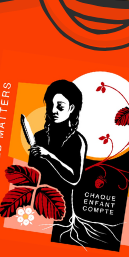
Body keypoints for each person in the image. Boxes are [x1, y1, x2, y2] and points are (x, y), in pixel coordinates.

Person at [27, 80, 89, 241]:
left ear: (71, 108)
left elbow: (75, 179)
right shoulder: (39, 137)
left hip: (63, 215)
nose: (53, 110)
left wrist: (49, 156)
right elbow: (31, 174)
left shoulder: (77, 141)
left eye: (60, 106)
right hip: (35, 209)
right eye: (50, 105)